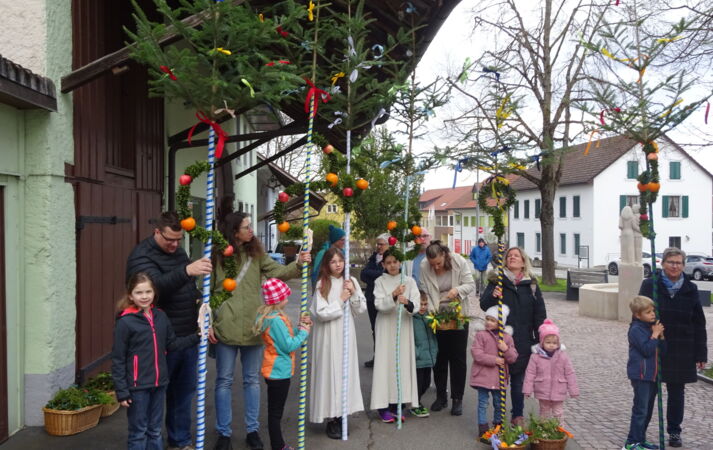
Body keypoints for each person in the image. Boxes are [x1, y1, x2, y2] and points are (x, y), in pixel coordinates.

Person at [209, 211, 311, 450]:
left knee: (251, 380)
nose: (251, 230)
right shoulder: (216, 257)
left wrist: (298, 263)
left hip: (254, 327)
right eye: (246, 227)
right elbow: (207, 291)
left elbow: (278, 272)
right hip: (225, 327)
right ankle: (224, 433)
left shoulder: (256, 255)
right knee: (223, 381)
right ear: (234, 232)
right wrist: (208, 321)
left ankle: (252, 430)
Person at [126, 211, 212, 450]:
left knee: (183, 393)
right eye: (169, 240)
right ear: (157, 232)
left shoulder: (179, 252)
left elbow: (187, 287)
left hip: (187, 335)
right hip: (158, 340)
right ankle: (146, 443)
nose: (174, 245)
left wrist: (202, 310)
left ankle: (180, 441)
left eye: (178, 240)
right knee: (153, 397)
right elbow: (154, 289)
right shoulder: (141, 256)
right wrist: (187, 271)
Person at [111, 272, 200, 450]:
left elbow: (172, 344)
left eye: (148, 292)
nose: (144, 296)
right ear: (130, 295)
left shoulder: (160, 316)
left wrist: (197, 336)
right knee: (139, 431)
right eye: (139, 292)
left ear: (154, 293)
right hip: (137, 386)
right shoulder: (125, 322)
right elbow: (118, 359)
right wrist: (122, 391)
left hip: (159, 384)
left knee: (155, 430)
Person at [639, 247, 707, 448]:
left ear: (683, 265)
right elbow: (638, 315)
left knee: (677, 393)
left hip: (682, 348)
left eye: (678, 263)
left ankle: (674, 431)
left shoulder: (690, 288)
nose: (674, 266)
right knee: (649, 392)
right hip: (656, 345)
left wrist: (700, 353)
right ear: (662, 264)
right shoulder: (650, 285)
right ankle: (640, 430)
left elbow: (698, 323)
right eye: (670, 262)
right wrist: (641, 342)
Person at [480, 246, 546, 427]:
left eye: (516, 255)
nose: (512, 258)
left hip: (523, 339)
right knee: (498, 380)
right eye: (509, 256)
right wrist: (493, 296)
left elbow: (540, 314)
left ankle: (517, 415)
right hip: (499, 339)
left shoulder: (531, 285)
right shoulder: (497, 281)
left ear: (523, 261)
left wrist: (539, 338)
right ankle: (498, 418)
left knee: (518, 381)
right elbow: (484, 305)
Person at [310, 247, 366, 438]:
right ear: (327, 264)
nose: (338, 265)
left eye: (340, 261)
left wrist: (354, 293)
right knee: (329, 374)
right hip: (327, 335)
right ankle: (331, 417)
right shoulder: (322, 284)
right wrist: (341, 299)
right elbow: (321, 313)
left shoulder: (351, 281)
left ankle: (342, 414)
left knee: (344, 373)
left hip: (345, 334)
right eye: (333, 261)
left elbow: (360, 309)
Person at [254, 278, 312, 450]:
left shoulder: (271, 317)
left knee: (275, 411)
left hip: (275, 369)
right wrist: (304, 333)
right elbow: (288, 345)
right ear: (277, 300)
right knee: (275, 413)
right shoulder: (276, 320)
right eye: (285, 296)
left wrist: (300, 328)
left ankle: (277, 445)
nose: (287, 298)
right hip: (278, 371)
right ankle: (278, 446)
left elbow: (283, 338)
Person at [419, 240, 475, 416]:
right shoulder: (424, 266)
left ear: (444, 255)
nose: (435, 267)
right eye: (432, 264)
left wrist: (457, 290)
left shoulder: (459, 261)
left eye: (438, 263)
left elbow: (470, 284)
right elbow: (425, 291)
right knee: (439, 358)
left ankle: (457, 398)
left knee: (458, 358)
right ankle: (441, 396)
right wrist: (433, 314)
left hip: (458, 314)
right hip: (437, 315)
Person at [370, 250, 419, 423]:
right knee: (385, 364)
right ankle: (383, 406)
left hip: (403, 326)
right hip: (386, 326)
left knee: (401, 364)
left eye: (395, 262)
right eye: (388, 262)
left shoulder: (409, 281)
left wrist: (408, 303)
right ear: (383, 264)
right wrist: (393, 295)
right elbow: (378, 304)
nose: (392, 265)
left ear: (400, 263)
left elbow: (416, 304)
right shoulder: (379, 281)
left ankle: (398, 404)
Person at [623, 296, 666, 450]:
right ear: (637, 315)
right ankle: (631, 442)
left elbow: (663, 351)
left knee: (647, 410)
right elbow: (647, 350)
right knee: (640, 410)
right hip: (641, 375)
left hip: (652, 375)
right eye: (648, 312)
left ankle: (641, 439)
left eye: (653, 310)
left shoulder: (650, 327)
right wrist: (654, 335)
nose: (652, 314)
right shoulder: (636, 330)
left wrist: (661, 337)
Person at [470, 304, 518, 437]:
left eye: (492, 320)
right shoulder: (481, 335)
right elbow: (477, 354)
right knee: (483, 403)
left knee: (499, 403)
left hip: (498, 379)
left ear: (500, 323)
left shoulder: (507, 338)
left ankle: (498, 425)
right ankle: (483, 428)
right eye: (487, 319)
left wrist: (506, 349)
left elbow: (513, 358)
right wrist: (494, 360)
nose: (488, 322)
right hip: (483, 377)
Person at [522, 319, 579, 422]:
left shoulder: (563, 356)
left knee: (558, 412)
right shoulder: (535, 357)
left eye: (554, 343)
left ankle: (559, 429)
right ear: (542, 342)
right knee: (544, 412)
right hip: (542, 389)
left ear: (558, 343)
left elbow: (570, 373)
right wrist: (527, 389)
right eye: (548, 342)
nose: (551, 345)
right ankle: (544, 429)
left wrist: (573, 390)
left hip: (559, 389)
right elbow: (530, 373)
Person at [360, 233, 389, 368]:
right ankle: (377, 356)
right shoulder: (373, 258)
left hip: (386, 299)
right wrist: (378, 276)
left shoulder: (391, 259)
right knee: (375, 328)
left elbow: (387, 275)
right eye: (378, 244)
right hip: (372, 298)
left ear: (388, 245)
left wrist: (373, 275)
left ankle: (387, 357)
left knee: (386, 329)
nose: (378, 246)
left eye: (381, 244)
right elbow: (363, 275)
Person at [411, 293, 438, 418]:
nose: (422, 307)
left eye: (425, 304)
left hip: (428, 357)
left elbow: (433, 336)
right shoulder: (412, 319)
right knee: (418, 383)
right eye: (420, 304)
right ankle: (415, 404)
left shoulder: (429, 317)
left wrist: (435, 351)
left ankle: (417, 402)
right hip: (418, 358)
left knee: (426, 383)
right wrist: (416, 353)